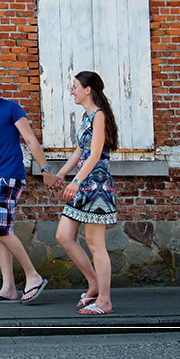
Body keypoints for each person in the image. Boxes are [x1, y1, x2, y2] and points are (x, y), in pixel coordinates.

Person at [0, 62, 55, 304]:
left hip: (11, 174)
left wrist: (46, 169)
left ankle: (33, 275)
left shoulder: (11, 109)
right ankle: (8, 287)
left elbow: (30, 139)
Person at [51, 70, 119, 316]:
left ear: (87, 89)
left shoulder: (99, 116)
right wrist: (62, 173)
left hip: (96, 186)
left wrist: (76, 181)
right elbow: (80, 151)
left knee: (95, 244)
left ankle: (104, 300)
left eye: (75, 87)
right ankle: (93, 283)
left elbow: (95, 153)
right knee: (63, 235)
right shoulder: (86, 116)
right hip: (83, 184)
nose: (72, 91)